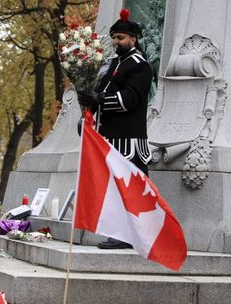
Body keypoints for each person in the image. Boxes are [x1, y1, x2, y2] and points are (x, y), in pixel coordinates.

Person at [78, 9, 153, 249]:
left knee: (129, 190)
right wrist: (88, 115)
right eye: (114, 38)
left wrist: (99, 101)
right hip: (109, 138)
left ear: (133, 39)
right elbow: (99, 94)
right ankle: (119, 233)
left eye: (121, 38)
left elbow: (130, 99)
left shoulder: (139, 66)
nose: (116, 42)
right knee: (113, 189)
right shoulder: (113, 64)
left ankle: (131, 236)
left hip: (129, 141)